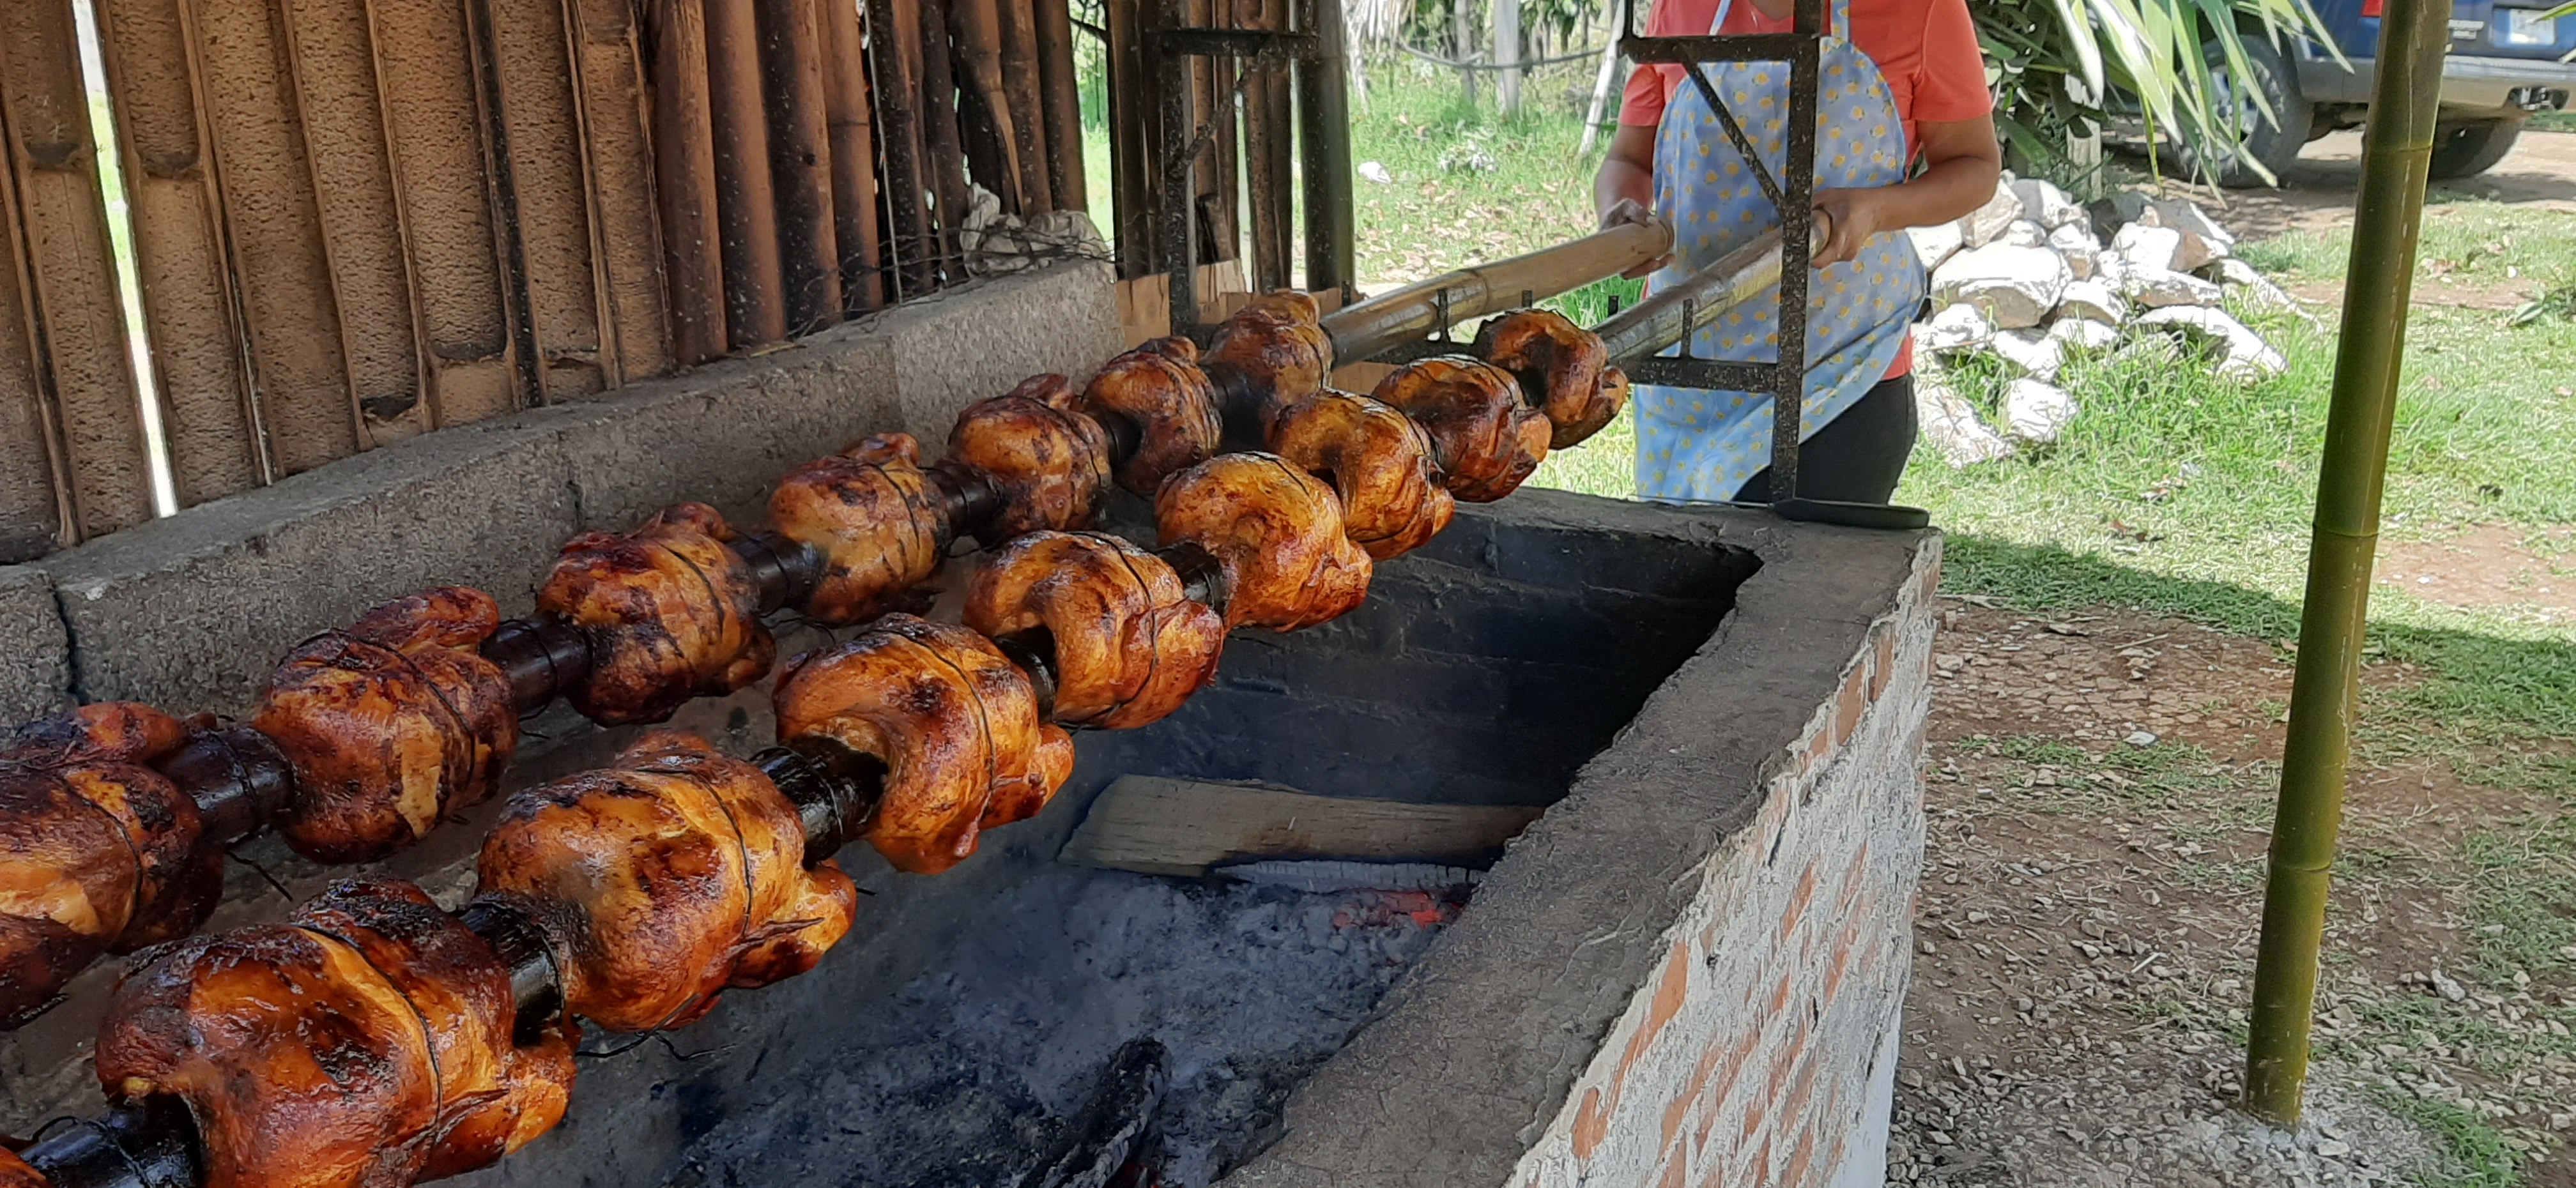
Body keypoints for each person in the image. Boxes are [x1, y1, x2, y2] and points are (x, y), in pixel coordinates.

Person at [1593, 0, 2000, 505]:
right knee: (1681, 571)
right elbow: (1630, 158)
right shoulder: (1678, 7)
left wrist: (1875, 210)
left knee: (1801, 577)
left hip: (1843, 369)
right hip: (1692, 374)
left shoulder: (1920, 9)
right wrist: (1620, 216)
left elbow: (1976, 166)